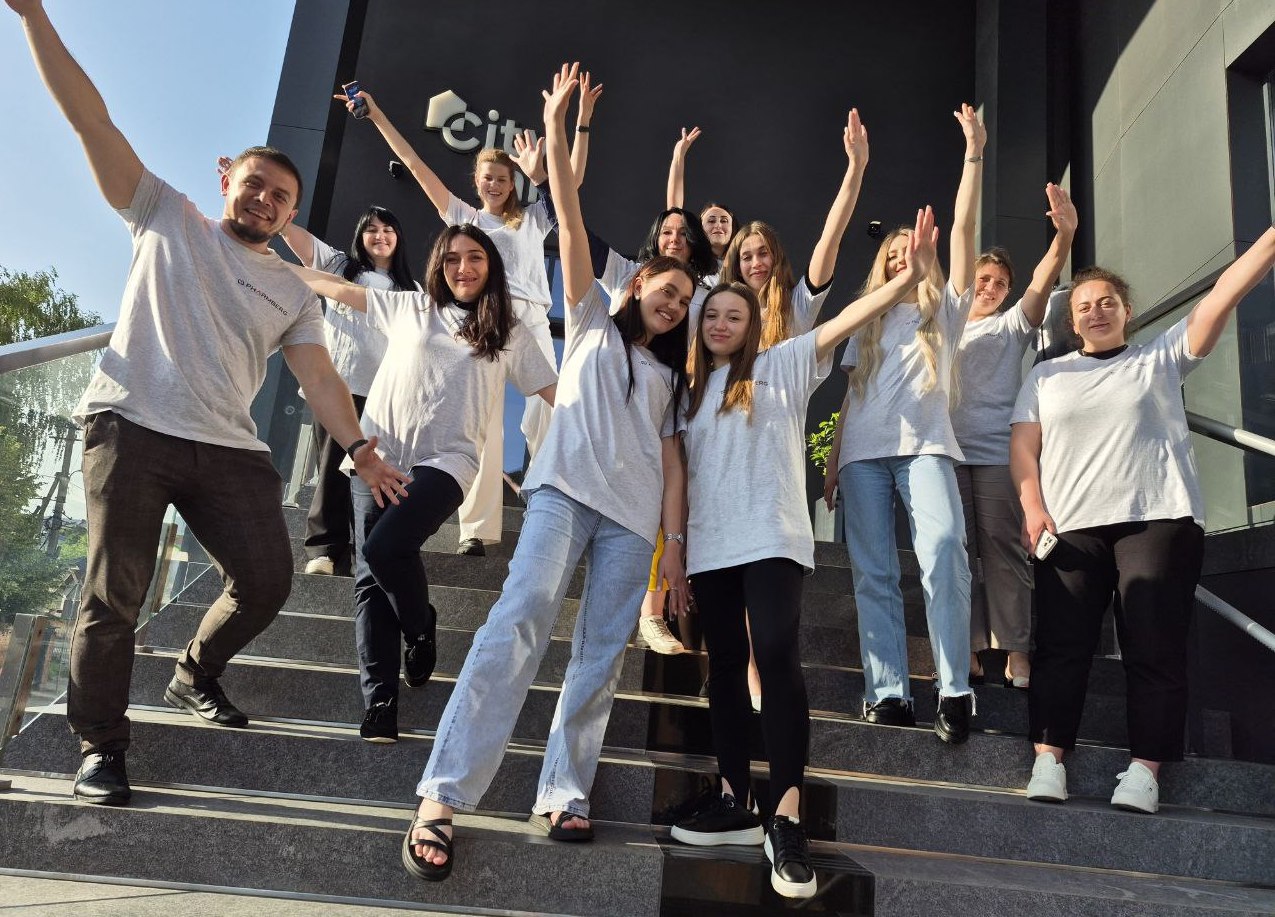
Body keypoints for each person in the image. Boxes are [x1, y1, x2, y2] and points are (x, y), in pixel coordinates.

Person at [7, 0, 410, 806]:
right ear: (227, 178)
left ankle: (195, 670)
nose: (265, 199)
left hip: (228, 448)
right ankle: (100, 748)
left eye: (281, 197)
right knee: (113, 597)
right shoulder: (165, 214)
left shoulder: (291, 288)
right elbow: (90, 120)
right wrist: (33, 16)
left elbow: (319, 379)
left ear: (291, 215)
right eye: (255, 184)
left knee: (266, 579)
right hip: (131, 426)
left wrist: (362, 450)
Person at [400, 63, 692, 882]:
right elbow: (564, 208)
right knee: (519, 619)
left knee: (599, 654)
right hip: (562, 495)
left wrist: (672, 548)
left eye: (681, 300)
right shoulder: (591, 312)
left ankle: (563, 789)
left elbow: (673, 464)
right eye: (663, 289)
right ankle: (441, 796)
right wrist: (558, 127)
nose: (670, 303)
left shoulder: (672, 377)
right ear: (638, 283)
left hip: (632, 521)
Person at [671, 207, 941, 900]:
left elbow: (847, 318)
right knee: (725, 667)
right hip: (710, 546)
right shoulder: (687, 392)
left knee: (776, 656)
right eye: (712, 315)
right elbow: (677, 476)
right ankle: (734, 799)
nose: (721, 323)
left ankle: (785, 816)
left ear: (753, 323)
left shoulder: (785, 363)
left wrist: (905, 278)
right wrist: (674, 550)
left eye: (734, 315)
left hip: (773, 539)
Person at [1012, 226, 1275, 813]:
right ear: (1072, 322)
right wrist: (1032, 507)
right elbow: (1024, 449)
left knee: (1153, 646)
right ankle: (1049, 759)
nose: (1096, 311)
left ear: (1126, 311)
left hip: (1157, 521)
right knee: (1061, 646)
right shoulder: (1046, 376)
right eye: (1085, 306)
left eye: (1107, 301)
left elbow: (1224, 293)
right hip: (1071, 526)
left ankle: (1145, 771)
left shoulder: (1159, 357)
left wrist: (1270, 240)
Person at [290, 225, 557, 743]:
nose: (463, 268)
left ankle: (420, 626)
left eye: (475, 257)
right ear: (439, 265)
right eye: (452, 258)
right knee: (370, 580)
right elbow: (336, 287)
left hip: (447, 461)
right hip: (376, 456)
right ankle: (380, 701)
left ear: (491, 266)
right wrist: (267, 263)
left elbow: (557, 395)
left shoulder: (507, 329)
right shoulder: (410, 307)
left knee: (385, 548)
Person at [640, 109, 871, 662]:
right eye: (746, 255)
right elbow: (674, 237)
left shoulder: (796, 308)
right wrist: (677, 164)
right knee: (679, 506)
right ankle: (654, 609)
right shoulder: (714, 303)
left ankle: (753, 679)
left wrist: (855, 170)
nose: (756, 261)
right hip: (711, 427)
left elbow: (829, 242)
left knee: (758, 578)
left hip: (765, 439)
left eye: (764, 252)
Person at [340, 79, 598, 555]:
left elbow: (571, 183)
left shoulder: (530, 219)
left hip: (529, 322)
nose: (494, 185)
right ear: (477, 183)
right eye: (487, 178)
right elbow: (415, 165)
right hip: (479, 322)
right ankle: (475, 529)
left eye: (502, 178)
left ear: (513, 183)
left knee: (547, 416)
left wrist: (580, 122)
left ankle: (551, 509)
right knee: (482, 425)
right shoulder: (465, 220)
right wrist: (375, 116)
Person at [823, 103, 985, 744]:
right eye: (892, 254)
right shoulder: (863, 319)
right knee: (874, 573)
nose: (901, 259)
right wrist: (832, 459)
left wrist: (973, 155)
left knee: (944, 553)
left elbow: (965, 228)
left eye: (910, 251)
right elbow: (850, 397)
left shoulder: (943, 309)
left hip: (925, 449)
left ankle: (955, 688)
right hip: (861, 456)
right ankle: (886, 691)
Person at [951, 184, 1077, 688]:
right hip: (945, 453)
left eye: (1000, 283)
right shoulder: (944, 324)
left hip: (994, 452)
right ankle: (966, 647)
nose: (990, 287)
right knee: (956, 554)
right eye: (984, 279)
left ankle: (1016, 651)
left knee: (1003, 549)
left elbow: (1043, 282)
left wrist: (1063, 237)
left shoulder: (1011, 326)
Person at [287, 206, 416, 577]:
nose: (380, 236)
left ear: (398, 238)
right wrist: (281, 224)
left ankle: (366, 556)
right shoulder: (341, 267)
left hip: (385, 395)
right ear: (361, 237)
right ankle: (324, 550)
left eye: (388, 229)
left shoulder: (413, 290)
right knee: (331, 469)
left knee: (372, 475)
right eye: (371, 229)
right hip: (336, 386)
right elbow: (299, 241)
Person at [666, 125, 737, 278]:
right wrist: (679, 155)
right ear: (699, 229)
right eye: (711, 221)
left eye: (724, 220)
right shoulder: (691, 260)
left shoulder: (743, 264)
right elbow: (674, 211)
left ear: (733, 229)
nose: (718, 225)